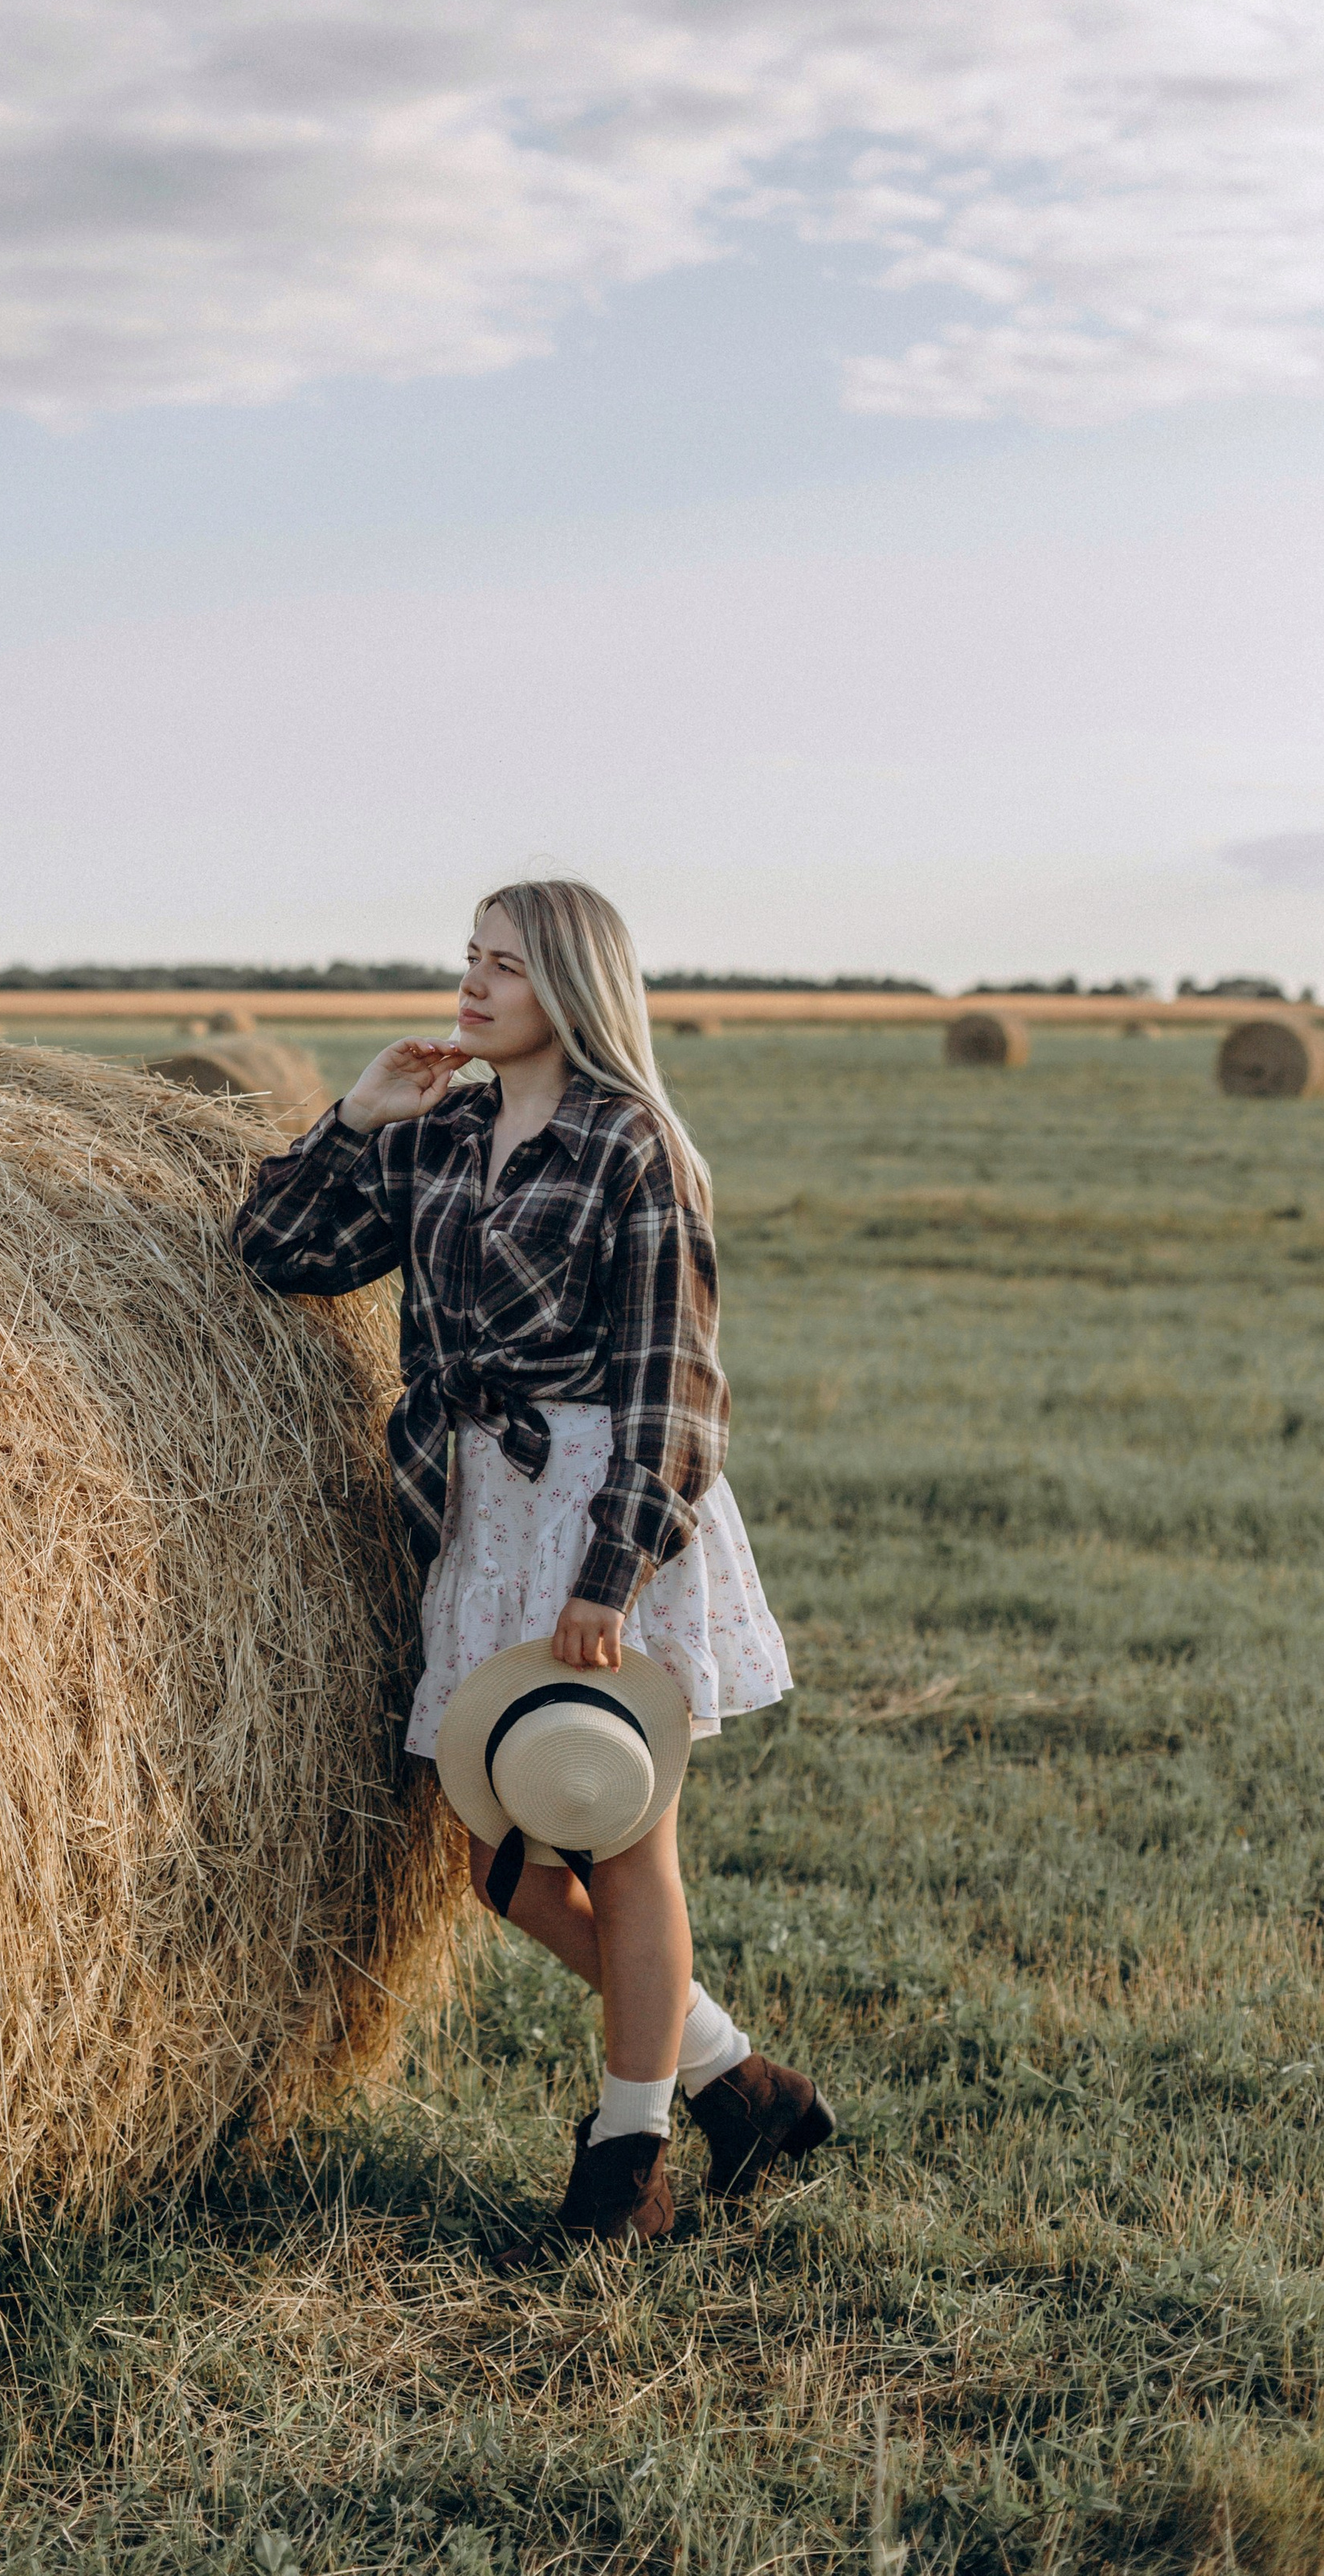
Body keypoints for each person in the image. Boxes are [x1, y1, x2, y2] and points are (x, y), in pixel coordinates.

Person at [232, 878, 833, 2264]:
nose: (471, 984)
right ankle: (741, 2083)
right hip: (476, 1517)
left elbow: (676, 1390)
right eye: (468, 959)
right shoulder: (437, 1132)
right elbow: (278, 1252)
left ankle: (631, 2157)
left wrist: (610, 1575)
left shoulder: (635, 1149)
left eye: (503, 965)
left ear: (568, 986)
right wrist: (353, 1118)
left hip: (594, 1508)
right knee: (491, 1843)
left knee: (618, 1840)